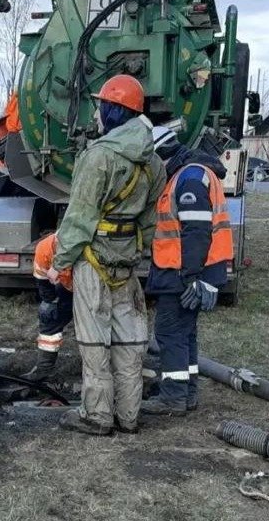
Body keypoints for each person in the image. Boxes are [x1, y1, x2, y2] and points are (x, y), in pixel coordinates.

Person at [49, 74, 166, 436]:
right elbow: (150, 220)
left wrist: (59, 264)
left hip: (93, 261)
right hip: (126, 263)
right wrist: (137, 252)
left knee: (94, 339)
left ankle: (98, 416)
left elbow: (80, 217)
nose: (98, 112)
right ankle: (129, 416)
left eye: (102, 105)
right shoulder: (154, 162)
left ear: (114, 111)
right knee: (131, 340)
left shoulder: (98, 157)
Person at [141, 126, 233, 417]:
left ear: (159, 155)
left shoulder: (189, 179)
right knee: (185, 333)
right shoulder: (189, 175)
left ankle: (173, 397)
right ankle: (187, 391)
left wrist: (193, 277)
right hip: (187, 271)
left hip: (183, 273)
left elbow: (197, 232)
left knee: (169, 333)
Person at [24, 233, 73, 382]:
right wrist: (52, 300)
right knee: (48, 313)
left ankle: (100, 369)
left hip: (93, 290)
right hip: (67, 287)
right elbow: (43, 281)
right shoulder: (44, 249)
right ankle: (44, 368)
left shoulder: (86, 247)